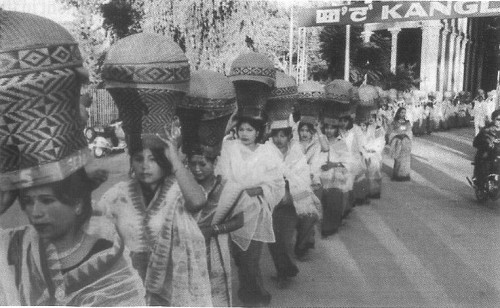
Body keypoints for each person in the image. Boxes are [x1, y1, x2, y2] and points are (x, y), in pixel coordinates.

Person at [96, 129, 212, 306]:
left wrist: (175, 160)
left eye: (153, 160)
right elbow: (97, 229)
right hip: (129, 285)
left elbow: (197, 202)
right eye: (138, 159)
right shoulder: (118, 194)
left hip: (171, 285)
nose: (145, 166)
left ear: (164, 163)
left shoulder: (178, 192)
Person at [0, 169, 146, 306]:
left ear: (77, 204)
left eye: (47, 200)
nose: (35, 212)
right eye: (28, 202)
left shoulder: (110, 265)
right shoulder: (18, 245)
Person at [216, 116, 285, 306]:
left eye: (249, 130)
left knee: (250, 258)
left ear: (258, 132)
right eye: (241, 129)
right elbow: (221, 174)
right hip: (233, 207)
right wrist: (237, 191)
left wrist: (258, 189)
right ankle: (254, 291)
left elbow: (277, 182)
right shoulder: (230, 148)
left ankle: (253, 298)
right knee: (239, 257)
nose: (244, 134)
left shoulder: (267, 151)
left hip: (256, 209)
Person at [187, 147, 244, 307]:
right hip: (187, 249)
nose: (197, 169)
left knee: (217, 293)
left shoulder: (229, 188)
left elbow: (239, 221)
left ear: (215, 162)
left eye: (202, 164)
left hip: (215, 247)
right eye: (192, 164)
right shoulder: (184, 187)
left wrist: (213, 230)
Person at [266, 127, 320, 288]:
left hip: (291, 202)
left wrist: (287, 181)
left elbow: (303, 176)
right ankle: (282, 270)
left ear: (289, 137)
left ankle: (286, 272)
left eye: (282, 135)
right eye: (275, 135)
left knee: (284, 239)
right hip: (272, 201)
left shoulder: (296, 155)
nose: (278, 139)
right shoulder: (266, 152)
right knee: (273, 240)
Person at [314, 120, 354, 237]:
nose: (329, 130)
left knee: (333, 202)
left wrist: (334, 165)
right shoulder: (320, 140)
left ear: (336, 129)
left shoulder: (340, 143)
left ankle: (329, 227)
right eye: (327, 127)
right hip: (321, 176)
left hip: (336, 178)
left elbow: (347, 162)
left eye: (332, 128)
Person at [472, 109, 500, 188]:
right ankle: (479, 181)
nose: (499, 122)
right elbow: (476, 142)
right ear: (493, 119)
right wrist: (486, 144)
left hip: (498, 153)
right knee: (483, 161)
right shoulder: (486, 130)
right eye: (498, 119)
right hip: (488, 153)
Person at [388, 107, 413, 181]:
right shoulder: (394, 122)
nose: (403, 114)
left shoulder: (407, 122)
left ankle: (404, 175)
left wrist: (406, 136)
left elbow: (410, 132)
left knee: (405, 159)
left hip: (405, 141)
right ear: (398, 113)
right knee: (398, 158)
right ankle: (397, 175)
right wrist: (396, 136)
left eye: (404, 113)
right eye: (402, 112)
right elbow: (391, 132)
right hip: (397, 141)